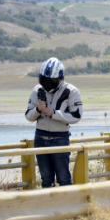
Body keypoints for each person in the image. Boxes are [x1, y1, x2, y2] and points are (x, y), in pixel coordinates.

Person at [25, 57, 83, 188]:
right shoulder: (37, 90)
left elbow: (77, 116)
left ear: (59, 78)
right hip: (40, 138)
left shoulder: (71, 91)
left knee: (64, 178)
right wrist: (38, 110)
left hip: (60, 138)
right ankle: (49, 207)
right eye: (44, 80)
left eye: (50, 81)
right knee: (46, 180)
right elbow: (28, 115)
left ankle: (67, 207)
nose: (46, 84)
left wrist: (54, 113)